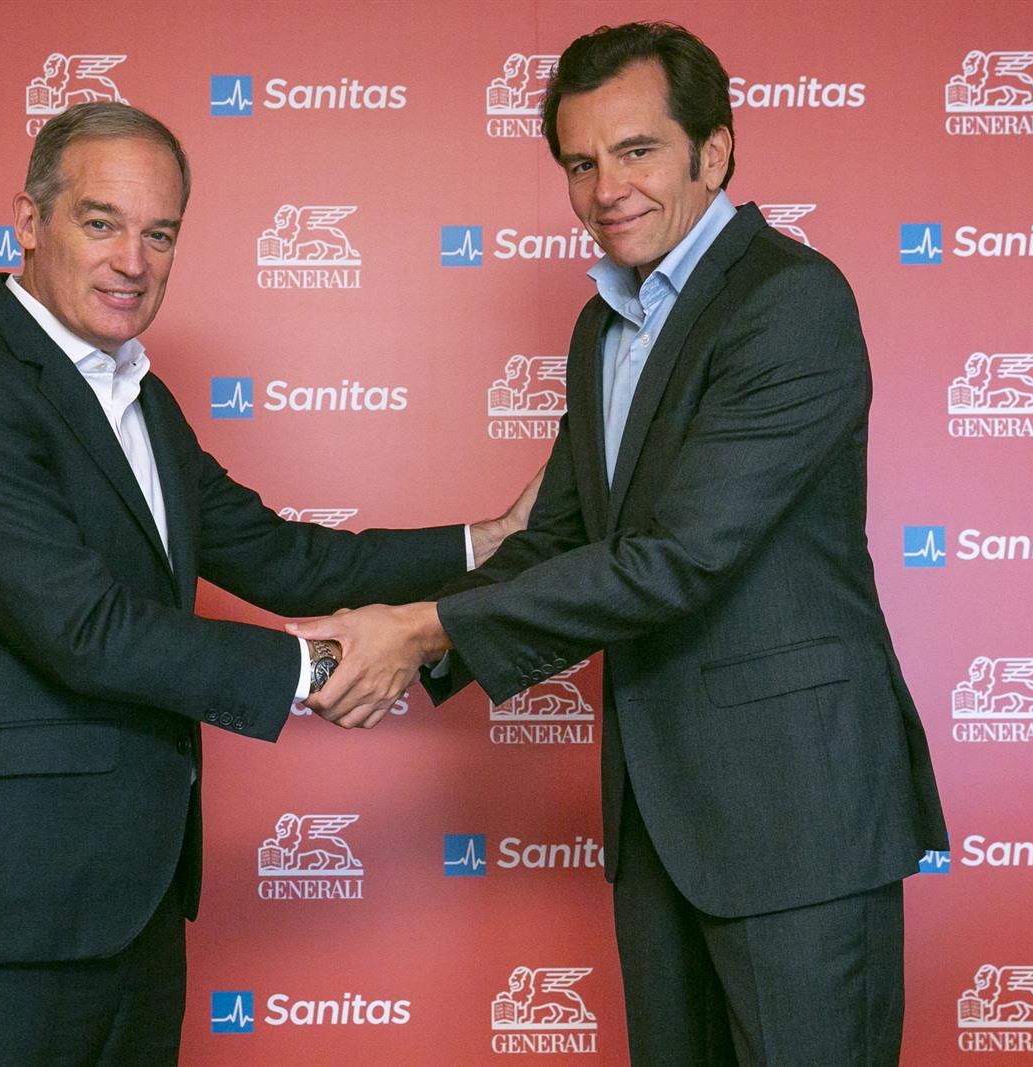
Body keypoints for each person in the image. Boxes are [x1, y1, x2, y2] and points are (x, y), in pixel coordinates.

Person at [294, 23, 947, 1066]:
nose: (606, 189)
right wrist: (397, 639)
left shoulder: (790, 300)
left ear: (713, 154)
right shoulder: (603, 327)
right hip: (657, 815)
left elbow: (679, 556)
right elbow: (556, 539)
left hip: (798, 816)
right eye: (580, 162)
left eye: (637, 151)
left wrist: (421, 628)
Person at [0, 101, 535, 1065]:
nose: (132, 261)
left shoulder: (137, 395)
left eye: (160, 233)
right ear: (29, 220)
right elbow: (86, 630)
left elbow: (283, 557)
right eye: (101, 222)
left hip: (133, 907)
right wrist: (323, 668)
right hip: (0, 923)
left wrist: (491, 539)